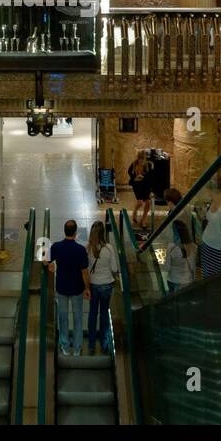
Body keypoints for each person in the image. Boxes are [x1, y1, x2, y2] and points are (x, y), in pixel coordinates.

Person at [48, 219, 90, 356]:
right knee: (78, 318)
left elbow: (44, 260)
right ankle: (77, 348)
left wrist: (49, 265)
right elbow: (84, 272)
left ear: (64, 231)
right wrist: (87, 288)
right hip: (77, 289)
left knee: (63, 317)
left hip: (61, 288)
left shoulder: (56, 247)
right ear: (76, 233)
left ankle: (64, 346)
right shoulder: (80, 250)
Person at [86, 221, 120, 355]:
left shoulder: (88, 248)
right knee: (104, 314)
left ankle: (91, 345)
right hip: (107, 285)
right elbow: (114, 268)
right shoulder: (109, 248)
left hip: (93, 285)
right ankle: (104, 343)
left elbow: (86, 269)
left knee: (92, 314)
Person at [165, 219, 195, 293]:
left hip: (173, 280)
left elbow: (167, 267)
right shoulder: (193, 246)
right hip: (187, 281)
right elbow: (193, 267)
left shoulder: (171, 247)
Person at [128, 150, 153, 230]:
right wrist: (135, 178)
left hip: (145, 186)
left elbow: (150, 178)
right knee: (140, 202)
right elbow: (130, 175)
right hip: (137, 185)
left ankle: (143, 220)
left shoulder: (148, 165)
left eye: (143, 159)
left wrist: (144, 178)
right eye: (140, 159)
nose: (142, 160)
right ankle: (135, 211)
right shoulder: (133, 165)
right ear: (138, 159)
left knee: (148, 203)